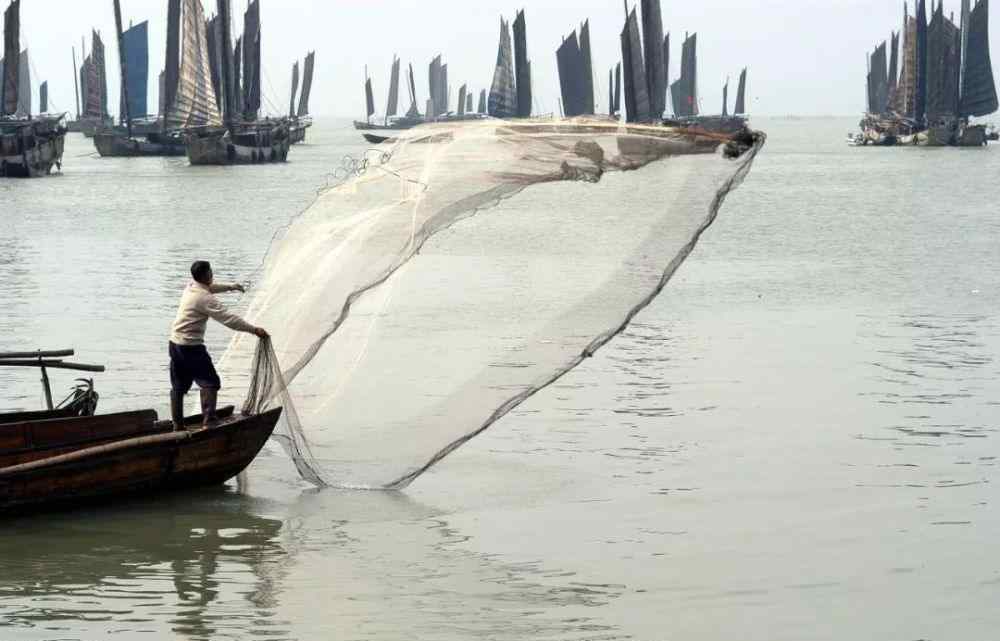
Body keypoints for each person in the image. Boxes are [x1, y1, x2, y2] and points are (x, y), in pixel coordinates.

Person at [169, 261, 268, 430]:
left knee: (179, 386)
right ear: (206, 275)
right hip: (191, 347)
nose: (212, 275)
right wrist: (254, 330)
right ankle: (209, 421)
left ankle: (177, 425)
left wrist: (231, 287)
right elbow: (230, 320)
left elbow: (210, 287)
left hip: (175, 344)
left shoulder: (191, 287)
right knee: (210, 382)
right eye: (210, 273)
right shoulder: (204, 298)